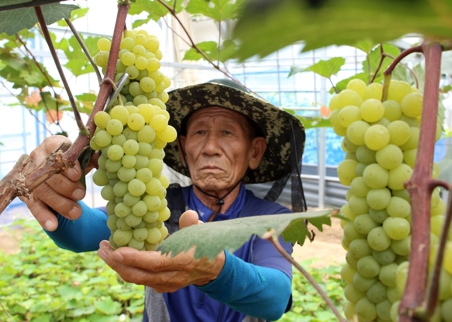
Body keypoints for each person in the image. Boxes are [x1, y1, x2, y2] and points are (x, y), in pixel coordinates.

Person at [21, 79, 307, 322]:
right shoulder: (155, 204)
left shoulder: (271, 218)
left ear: (255, 151)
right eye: (199, 133)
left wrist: (218, 270)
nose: (209, 148)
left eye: (227, 132)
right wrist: (50, 186)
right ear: (182, 148)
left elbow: (275, 298)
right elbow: (80, 231)